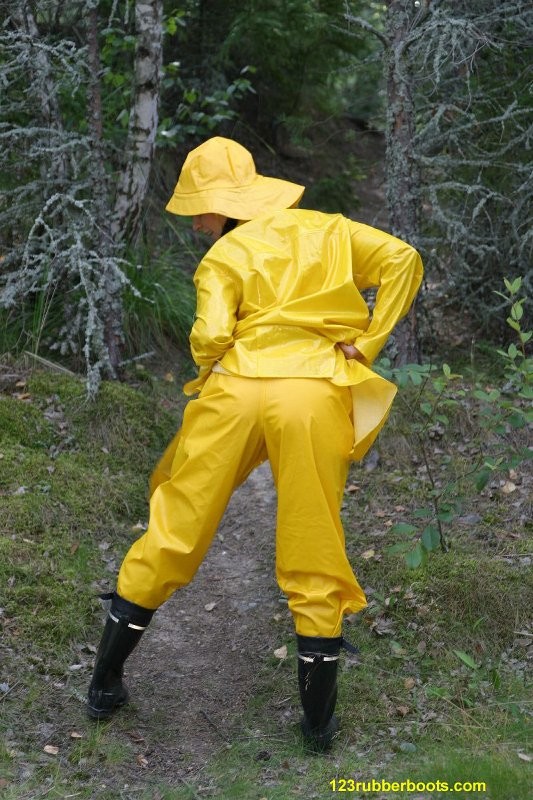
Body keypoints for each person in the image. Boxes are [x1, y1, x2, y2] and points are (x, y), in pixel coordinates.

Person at [87, 137, 423, 751]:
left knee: (177, 523)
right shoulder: (331, 230)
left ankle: (105, 684)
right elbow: (403, 259)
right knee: (313, 536)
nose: (196, 223)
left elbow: (210, 334)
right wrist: (368, 343)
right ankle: (318, 727)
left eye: (200, 210)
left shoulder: (222, 257)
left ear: (223, 204)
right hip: (313, 392)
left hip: (239, 388)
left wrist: (216, 367)